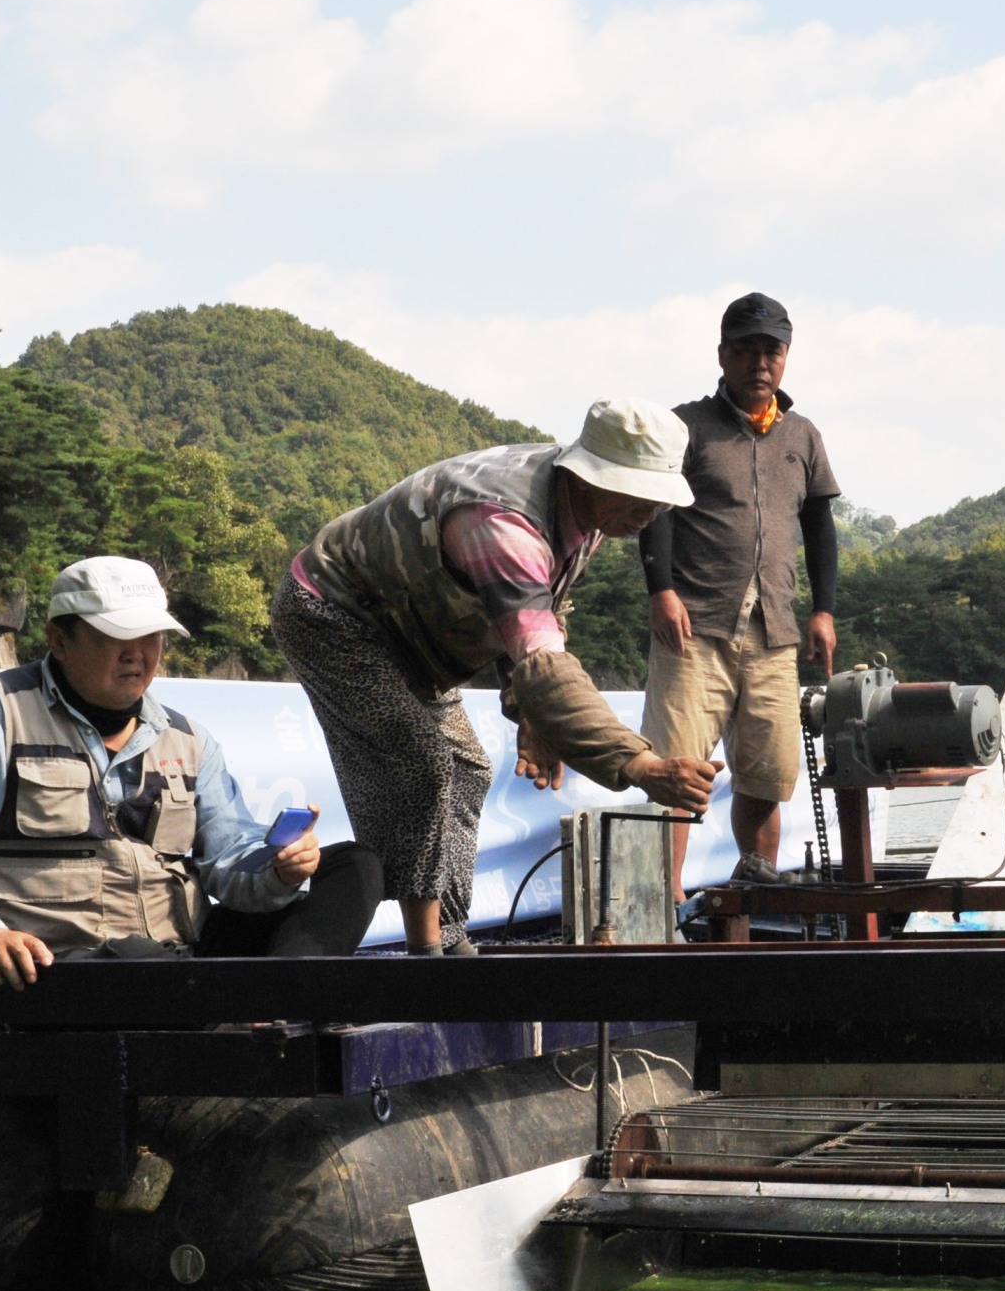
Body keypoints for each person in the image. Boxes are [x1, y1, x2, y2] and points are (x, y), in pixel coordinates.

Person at [273, 399, 720, 954]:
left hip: (413, 632)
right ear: (590, 475)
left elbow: (539, 614)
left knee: (469, 768)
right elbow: (543, 659)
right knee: (422, 764)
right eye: (638, 496)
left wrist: (536, 715)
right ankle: (426, 950)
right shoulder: (502, 520)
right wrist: (639, 763)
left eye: (657, 500)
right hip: (334, 612)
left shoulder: (589, 512)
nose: (649, 514)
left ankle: (451, 936)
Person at [0, 557, 384, 989]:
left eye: (151, 636)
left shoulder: (188, 737)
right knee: (138, 962)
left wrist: (278, 868)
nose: (139, 652)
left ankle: (276, 1000)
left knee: (355, 865)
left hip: (182, 957)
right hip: (58, 967)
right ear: (59, 639)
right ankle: (243, 1003)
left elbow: (231, 857)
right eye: (116, 635)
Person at [637, 292, 843, 883]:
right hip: (692, 628)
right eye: (747, 350)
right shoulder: (687, 425)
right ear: (723, 355)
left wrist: (824, 611)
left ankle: (758, 901)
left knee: (768, 773)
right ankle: (666, 908)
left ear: (785, 358)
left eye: (771, 351)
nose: (760, 363)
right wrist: (661, 590)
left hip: (773, 631)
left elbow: (819, 525)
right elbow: (657, 512)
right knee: (676, 769)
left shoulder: (803, 435)